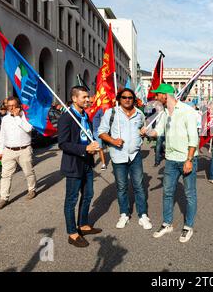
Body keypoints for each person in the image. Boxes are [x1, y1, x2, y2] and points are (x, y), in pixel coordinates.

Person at [141, 84, 199, 243]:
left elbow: (194, 137)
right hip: (171, 160)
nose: (155, 98)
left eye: (157, 94)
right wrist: (146, 131)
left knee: (189, 194)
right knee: (167, 192)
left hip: (186, 159)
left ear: (165, 95)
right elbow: (157, 132)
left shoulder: (187, 111)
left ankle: (188, 226)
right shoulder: (165, 113)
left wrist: (189, 159)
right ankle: (167, 224)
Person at [98, 88, 152, 230]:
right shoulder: (111, 112)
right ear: (119, 99)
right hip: (118, 156)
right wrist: (113, 141)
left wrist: (144, 133)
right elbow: (101, 132)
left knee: (139, 186)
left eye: (130, 97)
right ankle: (124, 214)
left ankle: (143, 215)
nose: (127, 100)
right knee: (121, 187)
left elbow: (143, 130)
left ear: (133, 99)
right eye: (124, 97)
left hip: (135, 155)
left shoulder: (139, 114)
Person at [58, 86, 101, 248]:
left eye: (87, 97)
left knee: (88, 195)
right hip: (74, 164)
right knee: (72, 199)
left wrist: (93, 147)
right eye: (84, 97)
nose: (87, 100)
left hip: (87, 163)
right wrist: (85, 149)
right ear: (74, 98)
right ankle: (72, 233)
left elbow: (86, 136)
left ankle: (83, 224)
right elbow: (62, 143)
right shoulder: (66, 118)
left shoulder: (85, 116)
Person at [0, 97, 37, 210]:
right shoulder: (5, 119)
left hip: (24, 149)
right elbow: (2, 135)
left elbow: (28, 129)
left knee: (28, 172)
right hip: (9, 151)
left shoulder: (26, 117)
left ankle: (31, 190)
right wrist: (1, 150)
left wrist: (18, 117)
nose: (11, 108)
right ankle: (4, 198)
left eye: (13, 105)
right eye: (9, 106)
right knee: (5, 175)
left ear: (19, 106)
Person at [92, 105, 107, 171]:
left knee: (100, 148)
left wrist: (103, 131)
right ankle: (92, 162)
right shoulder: (89, 110)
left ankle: (103, 164)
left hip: (97, 131)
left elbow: (103, 120)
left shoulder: (100, 110)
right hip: (90, 131)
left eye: (92, 102)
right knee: (92, 147)